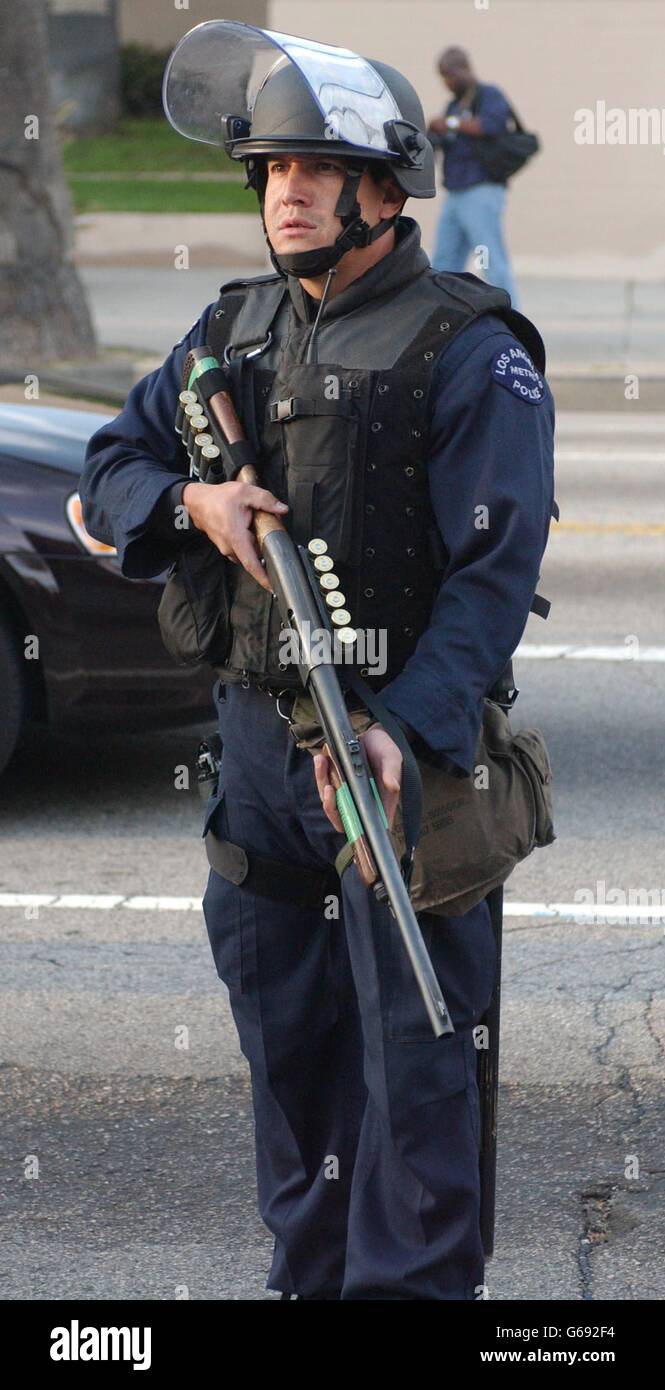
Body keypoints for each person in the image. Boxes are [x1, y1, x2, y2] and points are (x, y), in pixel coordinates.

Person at [79, 23, 555, 1300]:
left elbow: (492, 577)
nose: (283, 192)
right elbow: (111, 466)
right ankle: (310, 1278)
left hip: (401, 753)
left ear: (384, 192)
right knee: (288, 1053)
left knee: (417, 1054)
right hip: (256, 756)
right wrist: (198, 510)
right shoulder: (229, 328)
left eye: (313, 170)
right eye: (271, 171)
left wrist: (407, 728)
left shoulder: (471, 346)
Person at [429, 46, 520, 306]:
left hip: (482, 190)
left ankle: (513, 320)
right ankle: (444, 319)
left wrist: (451, 123)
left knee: (491, 261)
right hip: (455, 193)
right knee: (444, 264)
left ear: (465, 69)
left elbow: (490, 126)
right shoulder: (454, 104)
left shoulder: (488, 95)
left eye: (450, 74)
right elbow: (445, 140)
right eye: (443, 77)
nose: (447, 82)